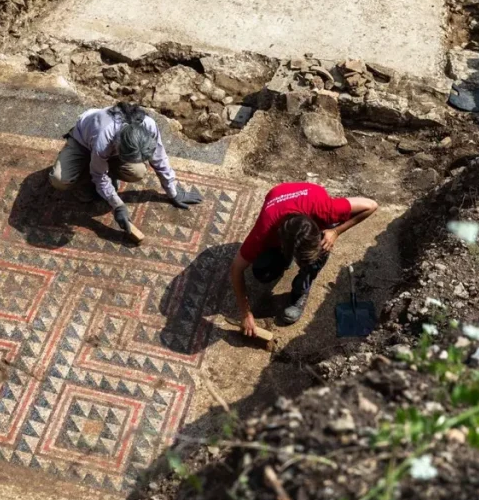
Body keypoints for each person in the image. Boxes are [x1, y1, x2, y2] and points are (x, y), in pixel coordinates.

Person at [230, 182, 378, 335]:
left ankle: (301, 290)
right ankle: (284, 260)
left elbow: (371, 205)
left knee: (322, 251)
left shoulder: (325, 209)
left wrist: (335, 231)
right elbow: (236, 269)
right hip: (278, 200)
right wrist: (246, 314)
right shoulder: (263, 232)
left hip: (310, 199)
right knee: (263, 272)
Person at [49, 102, 202, 235]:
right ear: (118, 146)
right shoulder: (104, 137)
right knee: (60, 180)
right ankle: (83, 173)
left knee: (138, 172)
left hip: (111, 151)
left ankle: (107, 170)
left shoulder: (148, 125)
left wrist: (173, 191)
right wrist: (118, 205)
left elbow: (159, 157)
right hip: (83, 141)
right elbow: (98, 175)